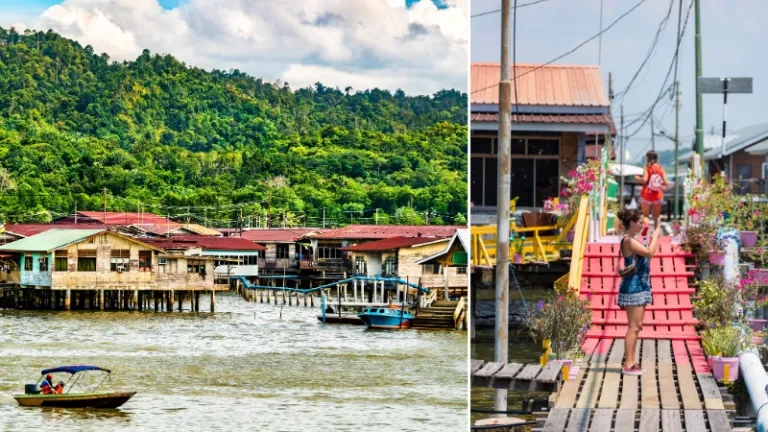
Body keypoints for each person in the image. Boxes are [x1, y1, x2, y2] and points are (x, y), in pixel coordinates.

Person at [617, 208, 660, 375]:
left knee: (637, 326)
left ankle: (632, 361)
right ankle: (628, 364)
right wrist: (655, 236)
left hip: (640, 286)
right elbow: (650, 253)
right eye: (640, 222)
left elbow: (647, 256)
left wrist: (651, 239)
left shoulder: (633, 239)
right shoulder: (628, 240)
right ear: (632, 223)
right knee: (633, 327)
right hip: (633, 288)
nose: (643, 224)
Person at [634, 150, 669, 231]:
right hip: (657, 194)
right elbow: (666, 183)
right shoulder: (660, 168)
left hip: (647, 194)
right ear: (656, 158)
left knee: (645, 215)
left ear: (647, 158)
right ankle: (657, 231)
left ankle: (646, 226)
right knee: (656, 216)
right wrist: (658, 182)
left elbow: (644, 180)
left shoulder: (647, 167)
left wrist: (637, 178)